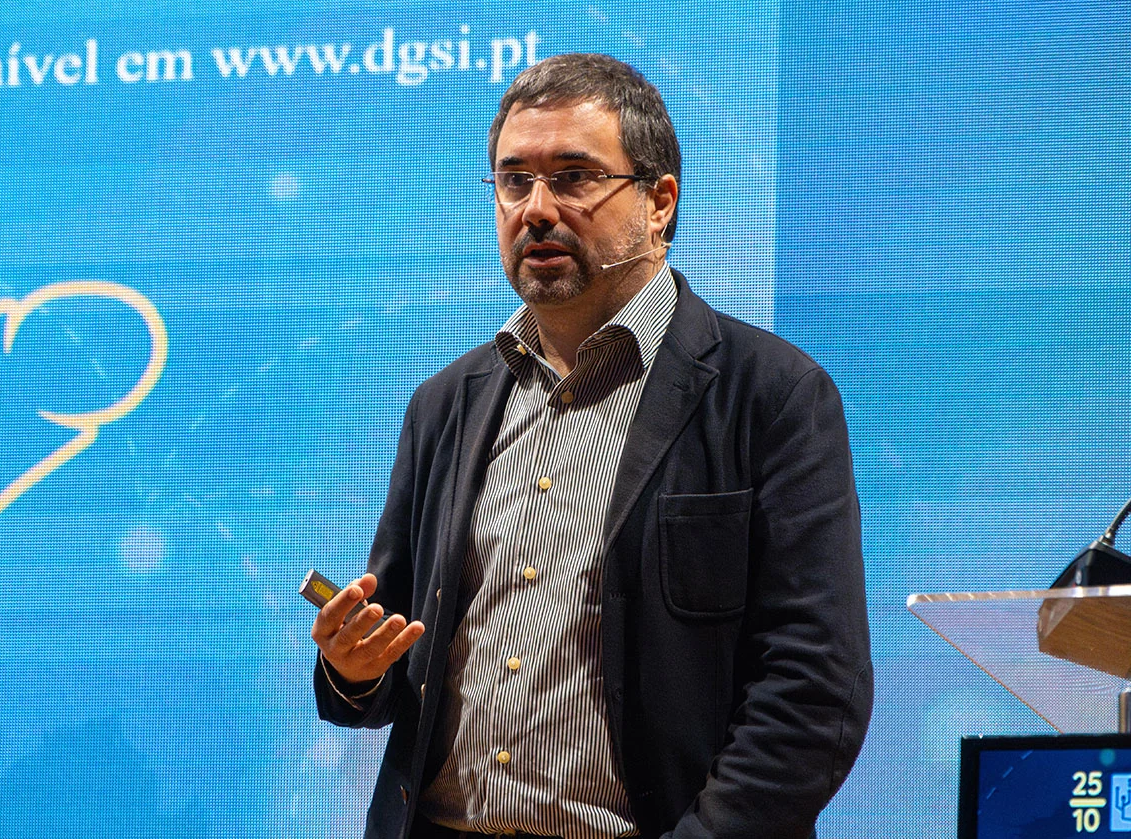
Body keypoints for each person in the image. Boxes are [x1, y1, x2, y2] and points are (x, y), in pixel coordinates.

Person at [311, 53, 872, 839]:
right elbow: (398, 665)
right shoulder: (446, 404)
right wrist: (354, 670)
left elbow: (815, 691)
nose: (536, 209)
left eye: (573, 178)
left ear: (659, 202)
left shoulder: (771, 396)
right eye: (514, 181)